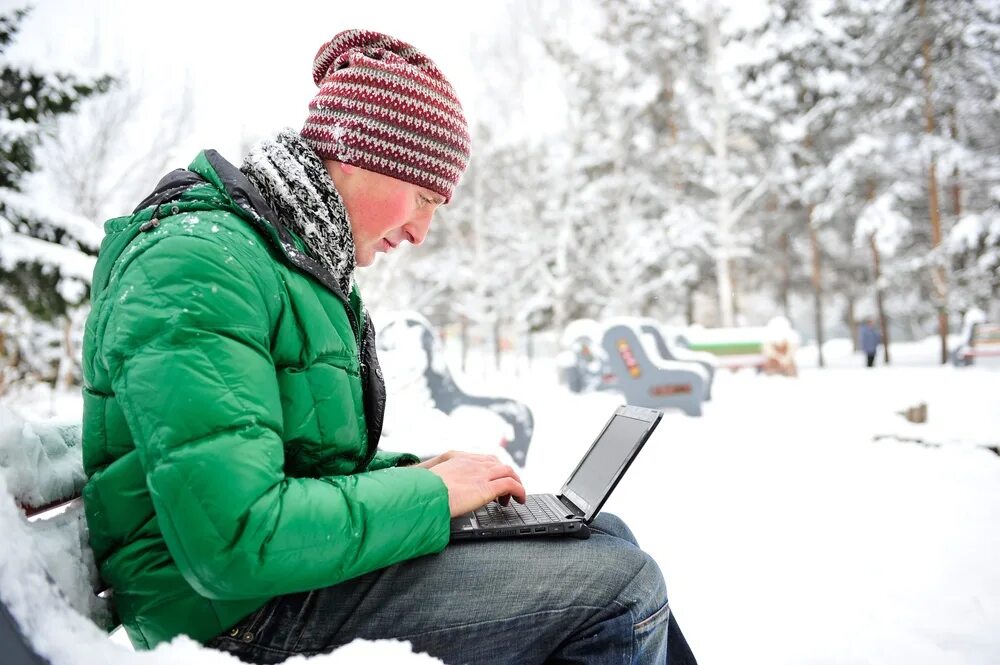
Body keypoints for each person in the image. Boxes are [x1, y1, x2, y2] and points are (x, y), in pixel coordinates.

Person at [80, 29, 697, 664]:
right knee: (624, 588)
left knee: (605, 540)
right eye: (425, 197)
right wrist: (435, 496)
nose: (423, 231)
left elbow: (289, 466)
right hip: (235, 616)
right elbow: (234, 539)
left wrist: (414, 474)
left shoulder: (287, 260)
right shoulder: (200, 263)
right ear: (358, 155)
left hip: (277, 588)